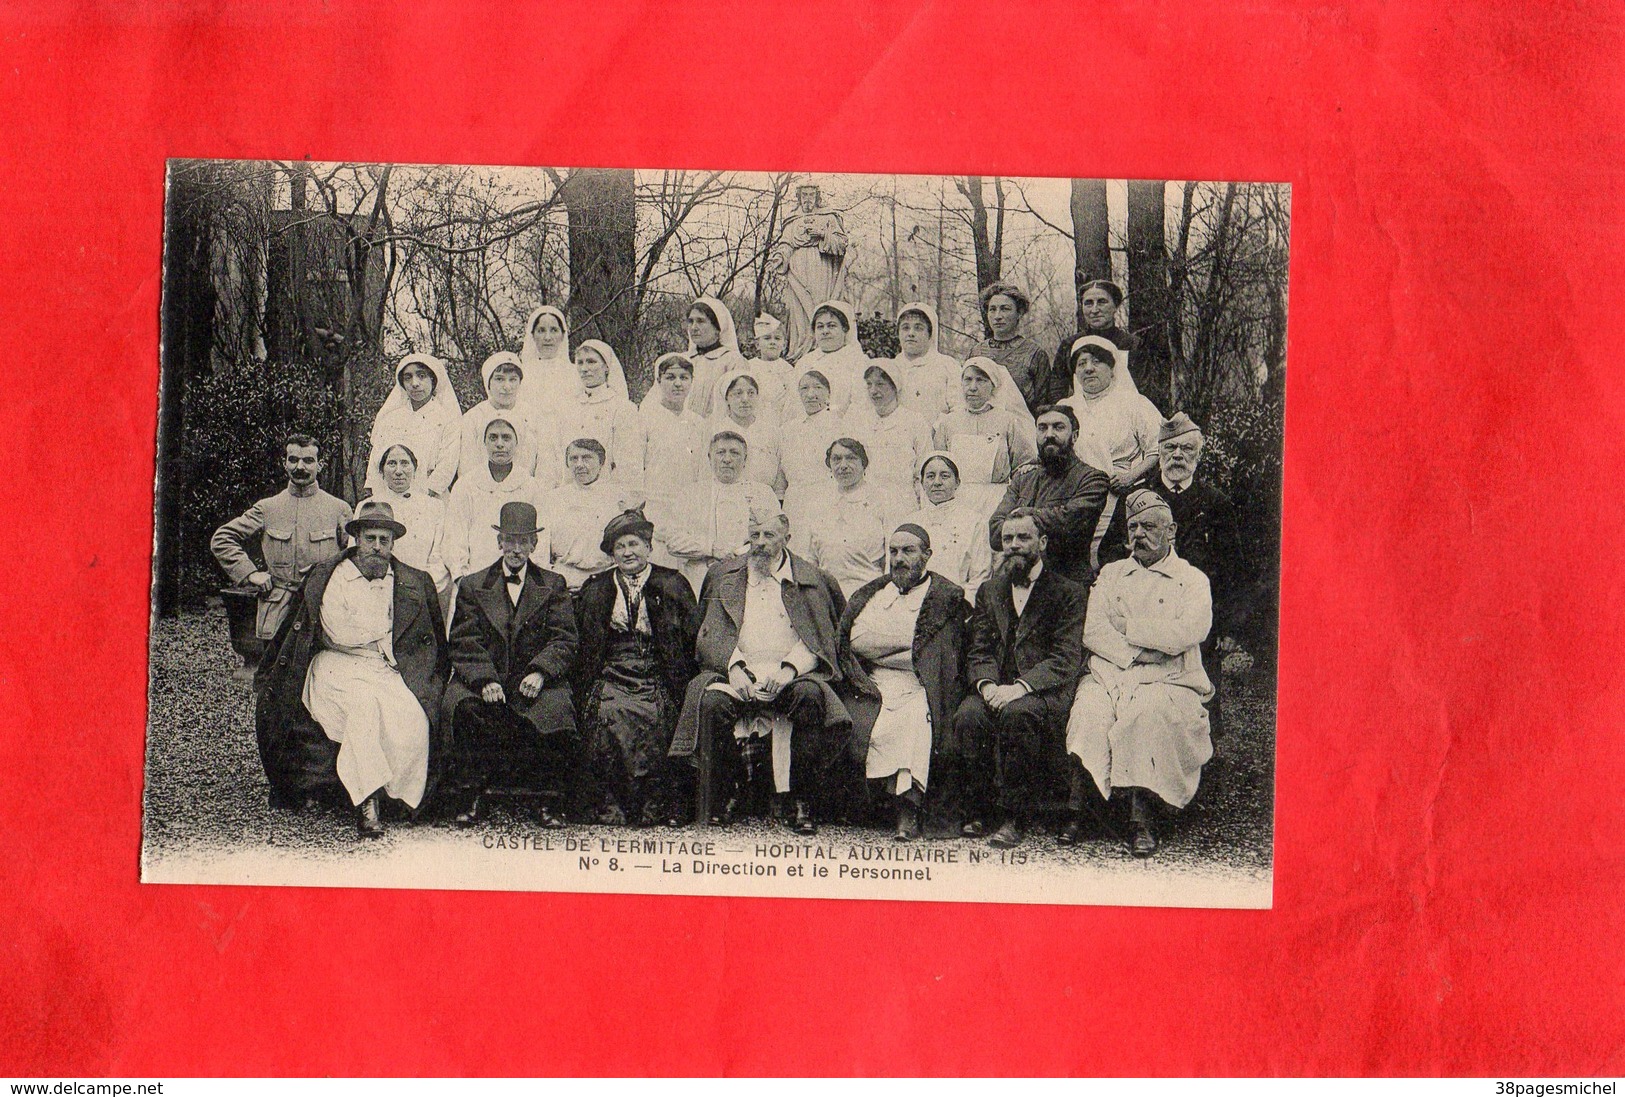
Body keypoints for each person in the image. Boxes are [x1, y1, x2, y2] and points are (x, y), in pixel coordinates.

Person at [253, 500, 449, 835]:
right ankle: (367, 802)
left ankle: (399, 798)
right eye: (369, 538)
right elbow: (338, 631)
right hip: (335, 665)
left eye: (383, 540)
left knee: (413, 719)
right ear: (356, 538)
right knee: (363, 709)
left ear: (392, 543)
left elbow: (426, 637)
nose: (376, 547)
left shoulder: (410, 581)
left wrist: (380, 641)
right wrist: (383, 632)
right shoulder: (332, 576)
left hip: (385, 665)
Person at [668, 505, 850, 833]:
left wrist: (788, 671)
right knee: (711, 704)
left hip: (792, 674)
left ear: (787, 538)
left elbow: (819, 640)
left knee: (810, 697)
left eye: (769, 535)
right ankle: (727, 794)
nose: (761, 543)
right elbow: (710, 633)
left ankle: (799, 799)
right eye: (755, 535)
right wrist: (735, 668)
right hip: (737, 671)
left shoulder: (811, 579)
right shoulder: (725, 576)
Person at [1066, 489, 1213, 857]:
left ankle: (1142, 817)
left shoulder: (1192, 579)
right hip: (1110, 672)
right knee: (1088, 714)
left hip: (1170, 677)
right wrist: (1140, 652)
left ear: (1172, 531)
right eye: (1133, 527)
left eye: (1149, 526)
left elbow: (1188, 631)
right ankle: (1081, 810)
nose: (1139, 535)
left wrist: (1128, 626)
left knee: (1146, 716)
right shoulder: (1113, 573)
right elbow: (1093, 630)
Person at [947, 509, 1087, 849]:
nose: (1013, 545)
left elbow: (1064, 657)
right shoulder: (989, 590)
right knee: (969, 715)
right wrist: (988, 685)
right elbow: (978, 649)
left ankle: (1014, 815)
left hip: (1042, 689)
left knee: (1018, 714)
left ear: (1042, 542)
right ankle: (980, 808)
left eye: (1023, 538)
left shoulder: (1069, 592)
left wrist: (1020, 688)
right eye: (1007, 539)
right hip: (997, 685)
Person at [443, 501, 581, 827]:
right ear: (499, 542)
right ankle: (472, 796)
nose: (516, 549)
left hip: (531, 679)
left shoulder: (554, 584)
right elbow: (463, 640)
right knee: (461, 707)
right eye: (510, 540)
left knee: (556, 709)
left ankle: (547, 800)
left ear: (534, 545)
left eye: (523, 541)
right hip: (486, 679)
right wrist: (483, 679)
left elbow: (564, 639)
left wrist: (541, 671)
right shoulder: (473, 585)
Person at [836, 524, 969, 841]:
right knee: (864, 722)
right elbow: (854, 643)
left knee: (914, 721)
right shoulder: (874, 593)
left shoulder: (946, 597)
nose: (898, 558)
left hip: (922, 683)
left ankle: (907, 811)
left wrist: (888, 649)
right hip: (872, 681)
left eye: (908, 551)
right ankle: (872, 807)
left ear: (927, 555)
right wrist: (907, 643)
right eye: (893, 551)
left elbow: (937, 656)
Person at [573, 509, 699, 827]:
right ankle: (610, 804)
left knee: (659, 716)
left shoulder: (672, 583)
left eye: (634, 544)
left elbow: (689, 639)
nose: (628, 552)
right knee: (606, 713)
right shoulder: (598, 587)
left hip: (659, 670)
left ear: (648, 547)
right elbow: (587, 642)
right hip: (613, 667)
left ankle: (656, 805)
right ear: (612, 553)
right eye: (620, 547)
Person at [212, 434, 352, 643]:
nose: (300, 467)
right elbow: (222, 539)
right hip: (278, 610)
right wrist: (250, 574)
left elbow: (351, 557)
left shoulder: (339, 509)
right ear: (284, 463)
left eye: (308, 460)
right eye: (293, 459)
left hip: (324, 608)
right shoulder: (268, 508)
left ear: (320, 465)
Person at [1058, 335, 1165, 570]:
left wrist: (1132, 476)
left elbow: (1159, 446)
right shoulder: (1066, 407)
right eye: (1081, 363)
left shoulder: (1133, 403)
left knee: (1112, 561)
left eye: (1096, 361)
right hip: (1075, 495)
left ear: (1112, 367)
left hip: (1120, 494)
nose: (1088, 369)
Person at [988, 405, 1110, 585]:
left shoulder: (1092, 479)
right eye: (1042, 428)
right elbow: (996, 531)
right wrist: (1044, 519)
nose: (1049, 434)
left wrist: (1022, 514)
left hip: (1066, 584)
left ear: (1074, 436)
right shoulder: (1022, 480)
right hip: (1018, 581)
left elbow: (1071, 523)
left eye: (1058, 427)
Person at [658, 430, 778, 595]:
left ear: (745, 459)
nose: (727, 459)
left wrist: (740, 555)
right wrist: (712, 548)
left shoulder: (762, 493)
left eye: (734, 453)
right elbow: (673, 541)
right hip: (699, 581)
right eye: (720, 452)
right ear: (709, 457)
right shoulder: (690, 493)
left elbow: (775, 538)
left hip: (749, 578)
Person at [442, 418, 549, 584]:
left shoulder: (531, 486)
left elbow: (540, 540)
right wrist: (462, 578)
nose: (500, 444)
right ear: (484, 442)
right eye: (493, 437)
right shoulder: (466, 485)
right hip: (475, 579)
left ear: (517, 442)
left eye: (506, 438)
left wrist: (533, 582)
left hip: (520, 581)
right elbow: (454, 536)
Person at [930, 356, 1037, 519]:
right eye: (968, 380)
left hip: (995, 502)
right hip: (956, 502)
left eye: (981, 380)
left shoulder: (1007, 421)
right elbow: (938, 466)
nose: (973, 387)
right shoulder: (948, 423)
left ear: (993, 386)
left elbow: (1023, 465)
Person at [537, 438, 638, 592]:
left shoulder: (618, 498)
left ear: (601, 462)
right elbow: (541, 549)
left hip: (607, 581)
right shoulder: (553, 499)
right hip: (563, 580)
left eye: (586, 458)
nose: (579, 464)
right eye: (573, 459)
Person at [768, 182, 853, 360]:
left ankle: (822, 349)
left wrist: (822, 234)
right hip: (797, 273)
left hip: (822, 270)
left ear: (817, 196)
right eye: (804, 195)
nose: (807, 199)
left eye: (811, 195)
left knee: (820, 307)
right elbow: (786, 244)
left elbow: (842, 244)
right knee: (799, 312)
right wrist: (779, 257)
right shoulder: (792, 220)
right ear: (799, 197)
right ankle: (800, 352)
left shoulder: (829, 217)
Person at [804, 437, 895, 598]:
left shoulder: (882, 500)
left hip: (870, 590)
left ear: (863, 463)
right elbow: (811, 557)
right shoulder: (819, 503)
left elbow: (893, 552)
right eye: (836, 459)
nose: (843, 466)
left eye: (851, 458)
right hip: (827, 593)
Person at [371, 444, 453, 620]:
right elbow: (358, 554)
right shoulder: (369, 506)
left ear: (415, 469)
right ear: (382, 470)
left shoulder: (434, 507)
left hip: (422, 596)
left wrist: (422, 589)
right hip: (378, 594)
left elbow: (439, 555)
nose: (399, 471)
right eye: (392, 463)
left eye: (405, 463)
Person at [363, 353, 462, 498]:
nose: (415, 383)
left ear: (433, 380)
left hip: (429, 496)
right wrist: (378, 495)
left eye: (421, 376)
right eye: (408, 377)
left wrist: (426, 494)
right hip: (389, 495)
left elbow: (448, 462)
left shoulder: (447, 418)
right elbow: (376, 460)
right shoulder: (390, 418)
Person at [845, 360, 933, 517]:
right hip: (866, 504)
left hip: (902, 504)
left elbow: (924, 471)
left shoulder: (914, 421)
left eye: (880, 384)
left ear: (895, 387)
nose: (874, 391)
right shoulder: (858, 422)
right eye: (869, 384)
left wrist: (925, 513)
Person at [634, 353, 709, 535]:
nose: (677, 384)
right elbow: (634, 464)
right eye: (670, 377)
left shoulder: (698, 423)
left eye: (684, 378)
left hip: (689, 504)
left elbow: (702, 468)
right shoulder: (643, 419)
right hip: (654, 505)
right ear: (659, 381)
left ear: (692, 381)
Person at [549, 339, 639, 488]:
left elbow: (628, 463)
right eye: (580, 363)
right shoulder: (565, 407)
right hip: (569, 494)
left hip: (606, 494)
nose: (585, 368)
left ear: (606, 367)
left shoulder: (623, 408)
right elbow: (556, 453)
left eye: (591, 362)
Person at [904, 452, 992, 601]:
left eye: (944, 476)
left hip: (957, 606)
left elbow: (980, 576)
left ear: (957, 482)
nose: (937, 482)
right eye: (931, 476)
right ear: (922, 483)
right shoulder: (910, 523)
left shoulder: (974, 521)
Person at [649, 296, 747, 419]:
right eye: (691, 321)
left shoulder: (733, 361)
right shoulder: (682, 361)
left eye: (701, 321)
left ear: (718, 328)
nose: (694, 327)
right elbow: (655, 399)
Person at [458, 351, 548, 486]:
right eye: (499, 379)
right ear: (488, 382)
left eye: (513, 379)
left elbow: (546, 466)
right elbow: (467, 466)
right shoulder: (473, 418)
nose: (507, 387)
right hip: (483, 493)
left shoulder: (534, 416)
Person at [968, 280, 1051, 415]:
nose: (998, 316)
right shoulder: (976, 352)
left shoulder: (1035, 354)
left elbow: (1043, 403)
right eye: (992, 309)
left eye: (1005, 309)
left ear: (1019, 313)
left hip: (1022, 428)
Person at [778, 369, 845, 535]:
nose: (811, 394)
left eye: (818, 388)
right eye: (804, 389)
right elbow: (782, 472)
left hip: (827, 501)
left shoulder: (839, 426)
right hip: (794, 503)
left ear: (828, 394)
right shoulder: (788, 429)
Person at [1052, 278, 1138, 404]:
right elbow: (1057, 390)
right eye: (1088, 303)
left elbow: (1144, 392)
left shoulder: (1132, 344)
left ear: (1116, 306)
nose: (1094, 310)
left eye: (1102, 302)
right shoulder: (1070, 345)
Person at [712, 369, 786, 495]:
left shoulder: (772, 432)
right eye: (738, 393)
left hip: (764, 499)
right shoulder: (716, 431)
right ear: (726, 399)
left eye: (751, 393)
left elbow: (779, 477)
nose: (745, 399)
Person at [791, 300, 868, 417]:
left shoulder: (858, 362)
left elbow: (859, 405)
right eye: (820, 326)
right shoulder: (804, 362)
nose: (825, 331)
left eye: (832, 326)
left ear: (845, 329)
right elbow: (794, 402)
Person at [889, 302, 960, 419]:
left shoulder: (947, 366)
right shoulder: (890, 368)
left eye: (918, 328)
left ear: (930, 334)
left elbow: (958, 409)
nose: (910, 333)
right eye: (905, 328)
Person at [517, 304, 577, 424]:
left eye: (554, 330)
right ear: (532, 335)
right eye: (541, 330)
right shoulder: (520, 375)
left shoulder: (575, 374)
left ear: (562, 335)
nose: (547, 337)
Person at [747, 312, 798, 423]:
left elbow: (793, 399)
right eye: (767, 338)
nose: (772, 342)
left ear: (784, 345)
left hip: (781, 418)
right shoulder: (749, 367)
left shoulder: (788, 369)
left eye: (777, 338)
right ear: (757, 344)